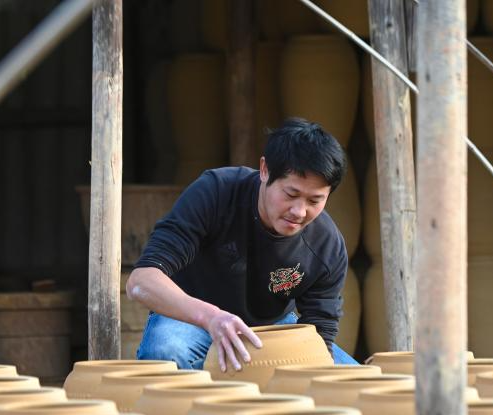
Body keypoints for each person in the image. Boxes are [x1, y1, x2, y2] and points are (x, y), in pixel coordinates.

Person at [127, 118, 358, 372]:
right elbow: (141, 281)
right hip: (192, 318)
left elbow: (321, 334)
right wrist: (211, 317)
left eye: (314, 201)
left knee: (358, 382)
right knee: (166, 351)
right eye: (291, 194)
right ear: (265, 170)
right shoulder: (215, 192)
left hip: (271, 330)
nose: (299, 212)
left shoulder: (326, 245)